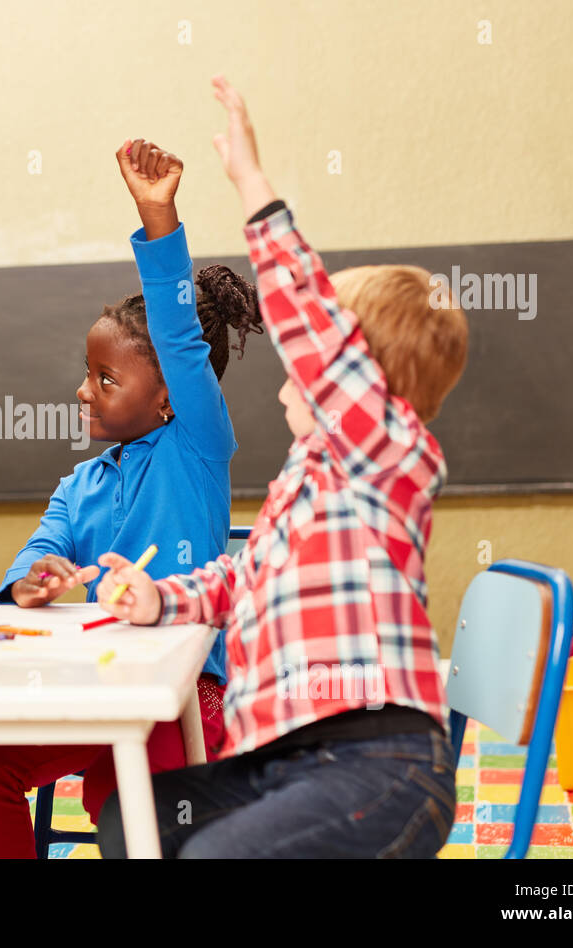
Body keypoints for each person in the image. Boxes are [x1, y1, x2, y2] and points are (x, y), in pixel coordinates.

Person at [94, 76, 469, 858]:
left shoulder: (387, 457)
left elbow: (314, 330)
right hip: (288, 763)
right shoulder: (310, 480)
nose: (289, 372)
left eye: (315, 362)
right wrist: (156, 596)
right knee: (132, 822)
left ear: (355, 378)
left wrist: (250, 183)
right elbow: (241, 578)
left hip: (380, 765)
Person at [0, 139, 261, 858]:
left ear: (167, 402)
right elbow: (40, 556)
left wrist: (158, 217)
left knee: (142, 818)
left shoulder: (196, 451)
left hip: (176, 699)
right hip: (85, 691)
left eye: (105, 379)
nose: (83, 391)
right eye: (85, 373)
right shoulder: (79, 484)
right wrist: (32, 583)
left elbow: (180, 341)